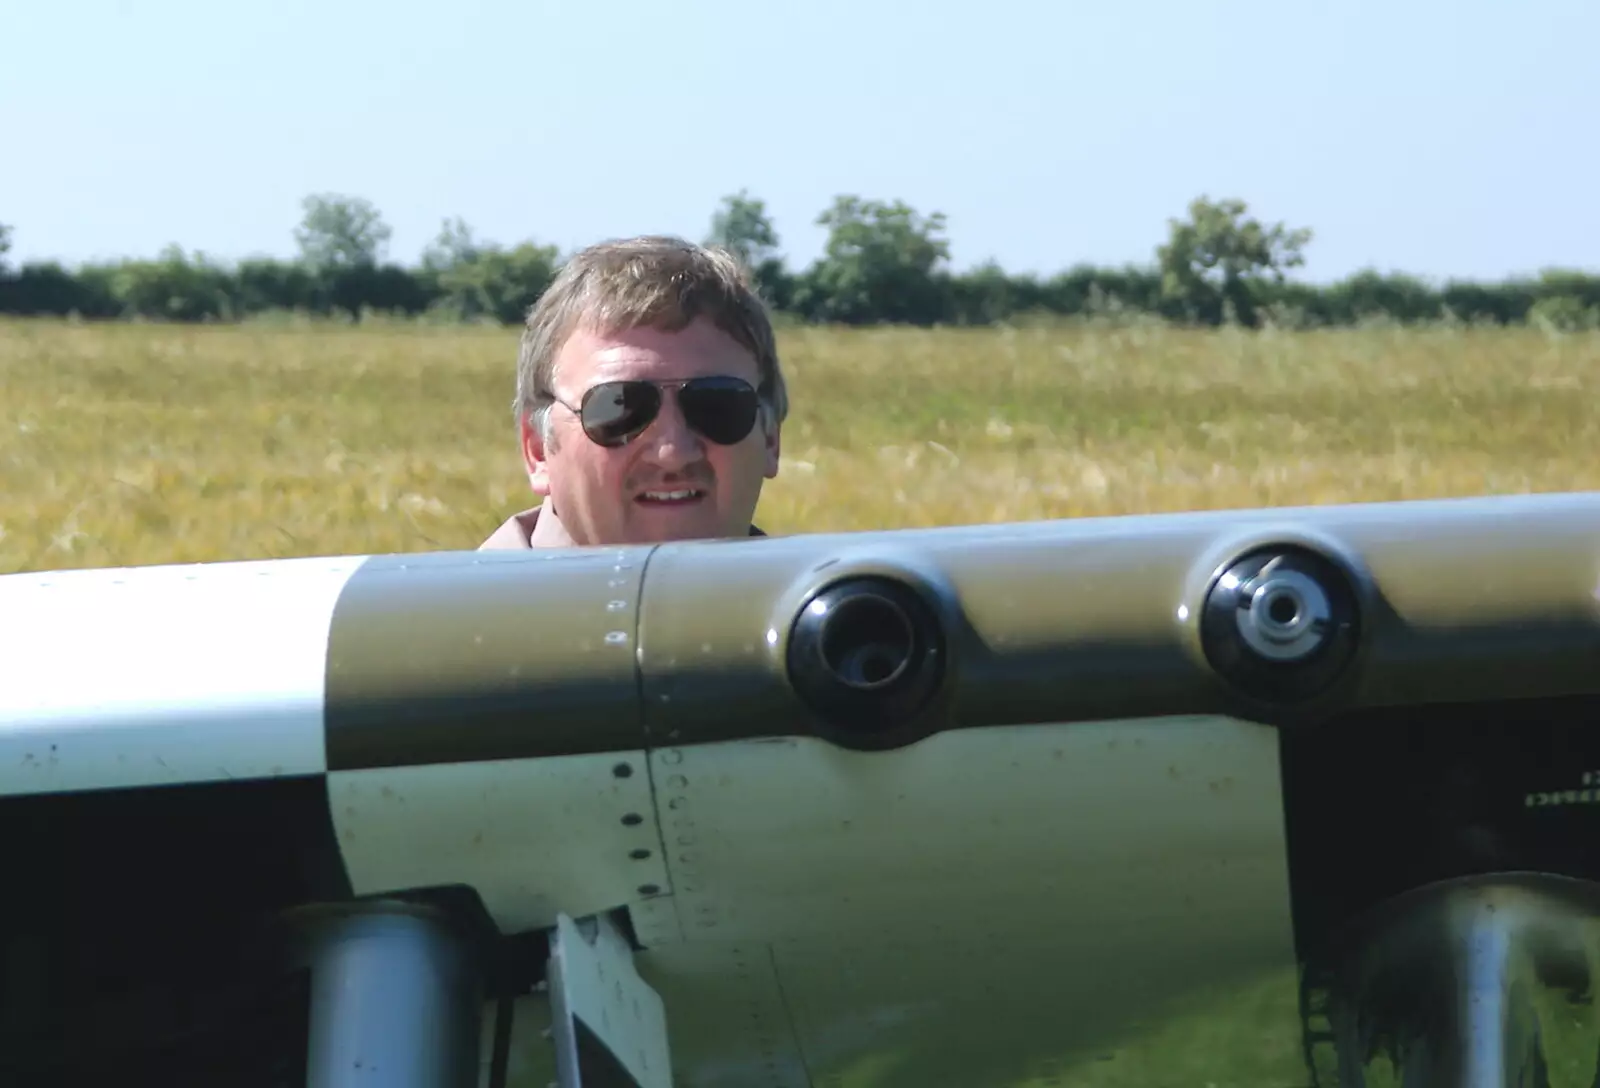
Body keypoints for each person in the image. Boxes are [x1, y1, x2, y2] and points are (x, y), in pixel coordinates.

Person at [479, 234, 787, 550]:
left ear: (770, 439)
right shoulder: (460, 600)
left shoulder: (821, 597)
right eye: (619, 409)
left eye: (716, 407)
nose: (672, 455)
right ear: (539, 451)